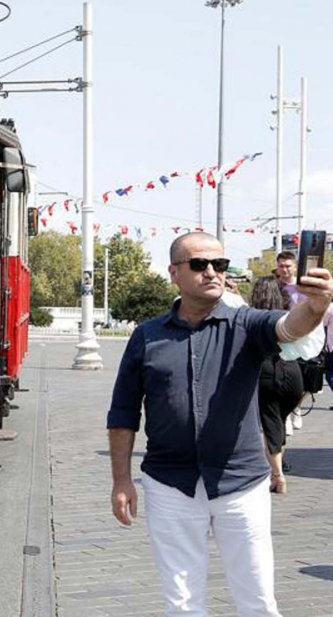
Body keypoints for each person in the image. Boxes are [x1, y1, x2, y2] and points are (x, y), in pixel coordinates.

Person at [106, 232, 332, 616]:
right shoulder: (148, 336)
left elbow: (291, 327)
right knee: (182, 602)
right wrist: (121, 480)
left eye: (220, 265)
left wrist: (316, 305)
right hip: (169, 483)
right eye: (199, 264)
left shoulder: (246, 324)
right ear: (174, 273)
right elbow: (123, 413)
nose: (212, 272)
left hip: (240, 483)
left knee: (257, 599)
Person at [249, 276, 304, 495]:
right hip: (293, 372)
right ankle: (277, 469)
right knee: (279, 421)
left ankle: (277, 475)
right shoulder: (289, 316)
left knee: (271, 423)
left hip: (266, 372)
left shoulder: (252, 318)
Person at [275, 250, 307, 432]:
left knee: (306, 381)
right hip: (282, 337)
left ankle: (296, 407)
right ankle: (286, 415)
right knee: (283, 378)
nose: (285, 269)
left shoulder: (304, 286)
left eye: (288, 266)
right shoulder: (274, 287)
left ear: (295, 267)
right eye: (281, 266)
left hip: (304, 337)